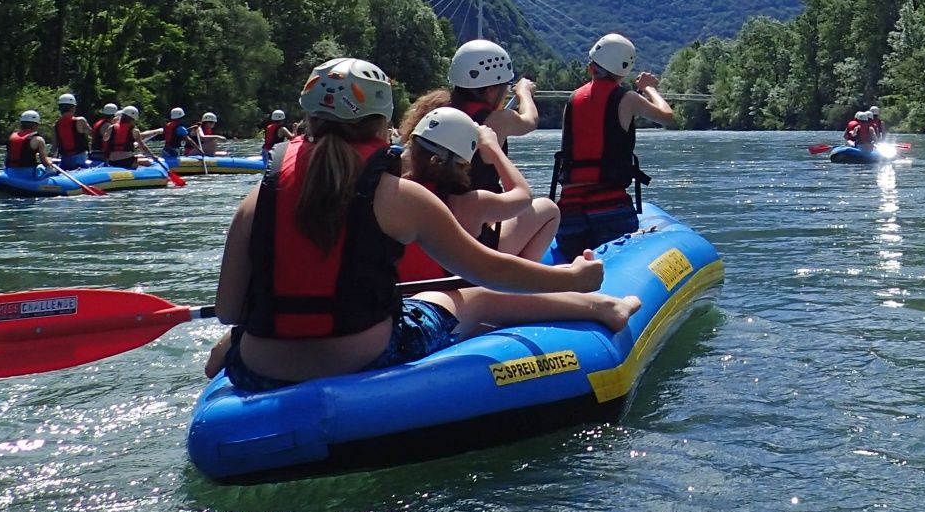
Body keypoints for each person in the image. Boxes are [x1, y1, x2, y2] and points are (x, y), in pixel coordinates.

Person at [204, 57, 637, 389]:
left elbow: (227, 310)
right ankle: (604, 307)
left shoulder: (258, 195)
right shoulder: (397, 196)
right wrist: (575, 279)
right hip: (367, 358)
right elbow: (491, 272)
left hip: (258, 369)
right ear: (383, 122)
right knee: (474, 297)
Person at [401, 39, 553, 255]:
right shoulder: (497, 120)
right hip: (477, 232)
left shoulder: (435, 113)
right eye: (504, 88)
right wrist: (524, 93)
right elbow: (530, 120)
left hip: (434, 225)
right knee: (549, 209)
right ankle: (521, 280)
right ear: (491, 90)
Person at [552, 33, 673, 259]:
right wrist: (649, 88)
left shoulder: (572, 99)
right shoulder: (628, 98)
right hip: (609, 208)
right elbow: (667, 116)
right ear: (624, 71)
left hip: (569, 212)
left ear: (591, 68)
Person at [404, 106, 560, 263]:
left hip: (412, 283)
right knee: (548, 208)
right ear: (464, 162)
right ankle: (522, 280)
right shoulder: (472, 205)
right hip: (466, 281)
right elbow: (524, 196)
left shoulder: (395, 191)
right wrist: (493, 148)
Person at [5, 109, 61, 177]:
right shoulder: (38, 139)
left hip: (10, 172)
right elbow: (45, 163)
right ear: (36, 125)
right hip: (28, 173)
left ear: (21, 124)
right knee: (50, 170)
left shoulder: (12, 136)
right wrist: (50, 162)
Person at [51, 93, 93, 169]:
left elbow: (54, 146)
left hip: (64, 159)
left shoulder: (55, 125)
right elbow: (92, 134)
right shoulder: (80, 120)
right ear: (73, 108)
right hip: (79, 158)